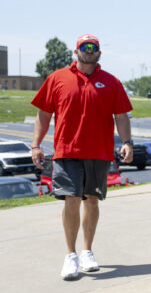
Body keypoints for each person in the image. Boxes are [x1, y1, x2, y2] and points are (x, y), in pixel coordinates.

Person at [30, 34, 133, 280]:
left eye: (93, 47)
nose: (89, 50)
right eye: (84, 47)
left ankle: (87, 251)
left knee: (92, 201)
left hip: (98, 152)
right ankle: (70, 256)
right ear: (76, 51)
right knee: (72, 199)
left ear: (99, 52)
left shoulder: (111, 82)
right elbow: (43, 114)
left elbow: (121, 116)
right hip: (67, 151)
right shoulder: (57, 78)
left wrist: (127, 142)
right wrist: (35, 145)